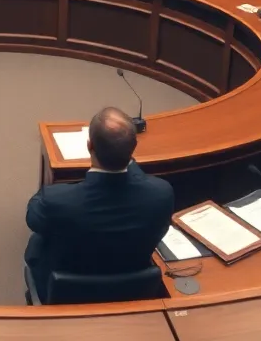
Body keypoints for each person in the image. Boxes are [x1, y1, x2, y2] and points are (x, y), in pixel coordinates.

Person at [23, 107, 174, 305]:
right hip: (132, 291)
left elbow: (32, 217)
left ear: (89, 145)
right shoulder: (161, 194)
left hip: (64, 295)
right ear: (134, 148)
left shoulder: (56, 200)